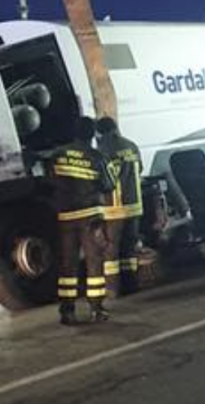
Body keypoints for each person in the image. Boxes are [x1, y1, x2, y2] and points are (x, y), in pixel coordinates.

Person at [47, 115, 113, 325]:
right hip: (90, 217)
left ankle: (67, 311)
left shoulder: (57, 155)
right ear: (92, 134)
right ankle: (96, 309)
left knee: (68, 264)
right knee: (94, 262)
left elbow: (48, 182)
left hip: (66, 218)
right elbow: (108, 185)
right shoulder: (96, 156)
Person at [96, 116, 145, 297]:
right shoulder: (131, 146)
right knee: (129, 249)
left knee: (111, 250)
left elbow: (101, 181)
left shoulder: (103, 151)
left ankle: (113, 288)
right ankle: (131, 284)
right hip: (134, 206)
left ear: (99, 133)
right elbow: (140, 169)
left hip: (115, 209)